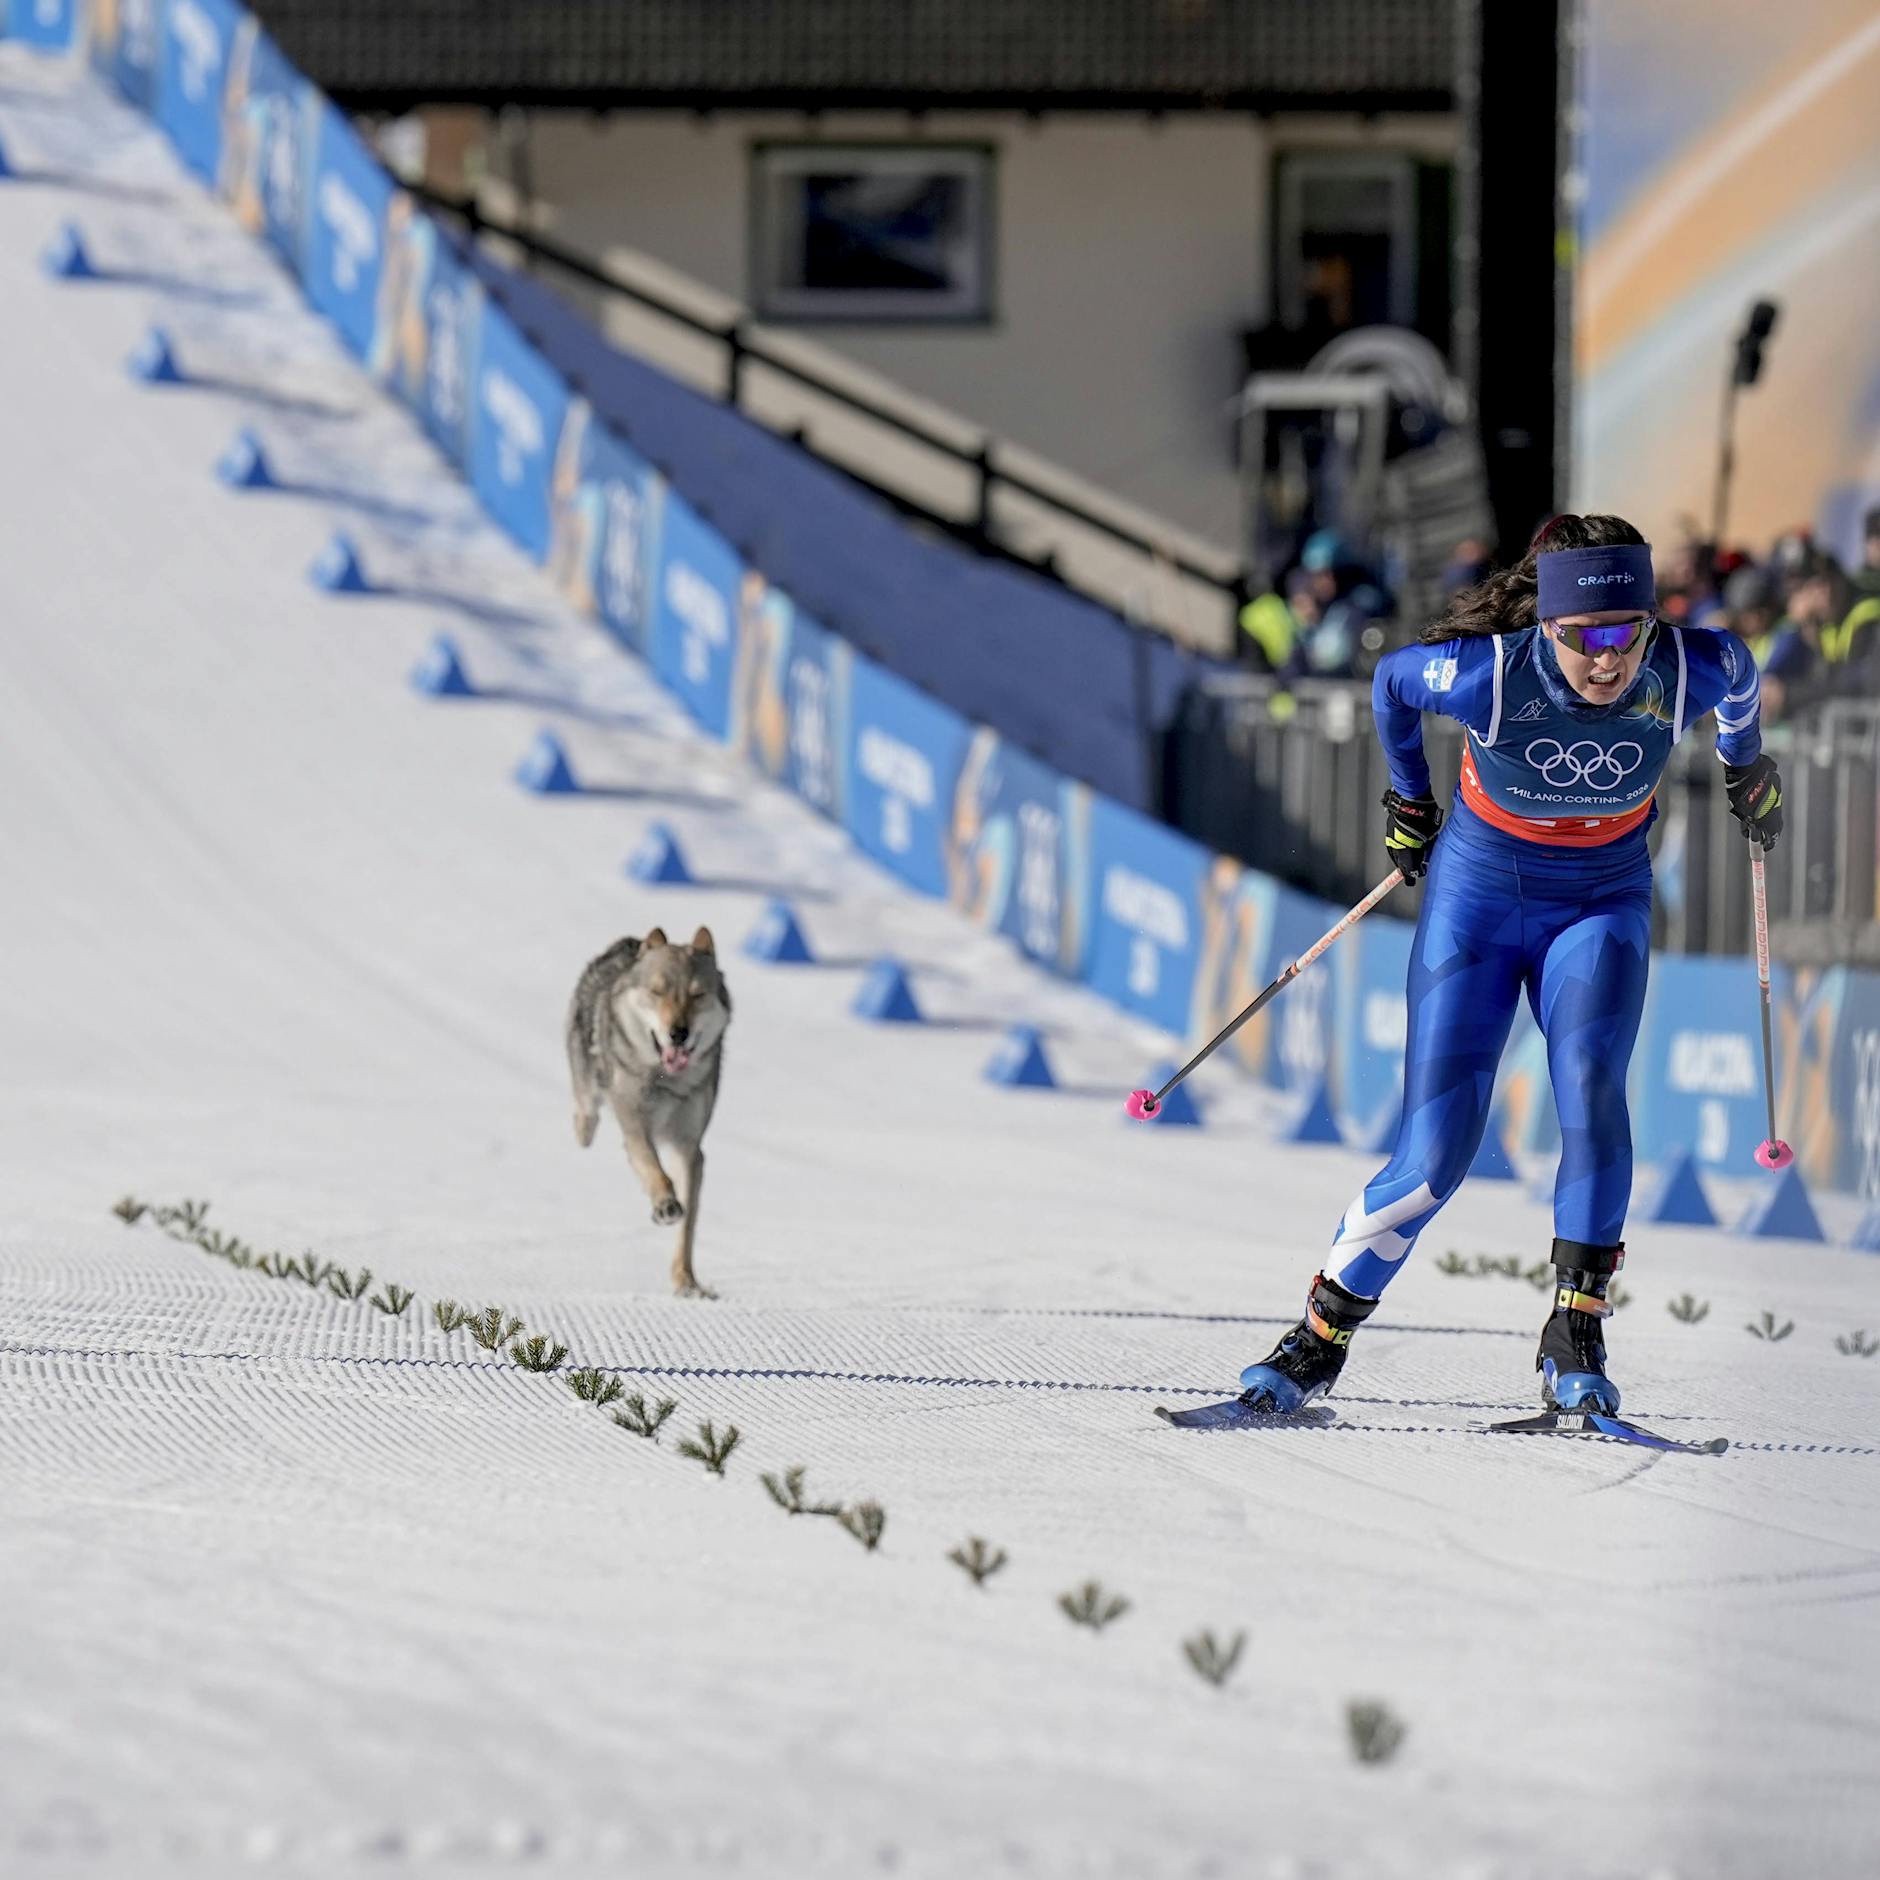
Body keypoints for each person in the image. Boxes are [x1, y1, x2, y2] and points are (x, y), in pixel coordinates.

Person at [1236, 515, 1784, 1417]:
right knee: (1437, 1148)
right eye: (1586, 638)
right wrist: (1410, 800)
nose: (1608, 660)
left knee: (1590, 1093)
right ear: (1546, 627)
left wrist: (1742, 764)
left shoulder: (1689, 666)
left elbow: (1743, 682)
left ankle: (1575, 1335)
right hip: (1479, 906)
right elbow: (1389, 684)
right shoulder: (1491, 675)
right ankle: (1317, 1341)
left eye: (1628, 633)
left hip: (1601, 902)